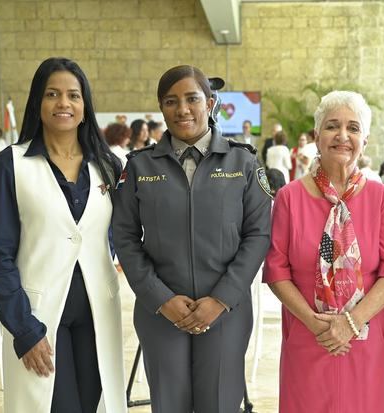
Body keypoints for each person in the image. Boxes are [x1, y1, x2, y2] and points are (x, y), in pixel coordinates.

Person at [112, 64, 271, 413]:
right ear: (161, 108)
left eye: (192, 98)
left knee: (219, 403)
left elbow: (258, 234)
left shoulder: (242, 162)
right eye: (171, 101)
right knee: (168, 405)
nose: (182, 109)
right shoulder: (140, 167)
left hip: (226, 311)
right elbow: (123, 235)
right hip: (161, 312)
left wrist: (222, 298)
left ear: (210, 103)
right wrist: (160, 298)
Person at [0, 57, 126, 413]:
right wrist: (23, 328)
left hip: (98, 312)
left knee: (96, 405)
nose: (64, 103)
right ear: (38, 103)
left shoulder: (107, 164)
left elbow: (112, 235)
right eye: (52, 94)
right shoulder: (8, 166)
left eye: (73, 95)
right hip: (38, 314)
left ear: (85, 105)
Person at [264, 90, 384, 412]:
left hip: (364, 335)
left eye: (353, 128)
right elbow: (276, 271)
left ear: (365, 140)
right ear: (316, 136)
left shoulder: (380, 197)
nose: (342, 136)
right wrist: (317, 324)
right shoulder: (289, 197)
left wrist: (351, 322)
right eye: (332, 126)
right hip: (308, 333)